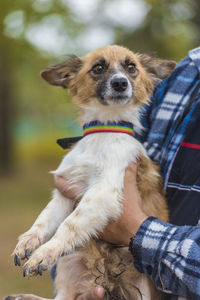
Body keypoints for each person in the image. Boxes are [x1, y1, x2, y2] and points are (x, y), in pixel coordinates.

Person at [54, 47, 200, 300]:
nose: (120, 78)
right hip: (100, 263)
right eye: (99, 70)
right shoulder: (184, 74)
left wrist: (135, 229)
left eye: (130, 69)